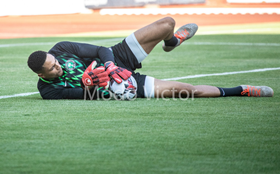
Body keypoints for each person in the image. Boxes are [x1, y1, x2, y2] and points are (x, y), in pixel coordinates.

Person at [27, 17, 273, 100]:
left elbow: (101, 50)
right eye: (53, 67)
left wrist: (111, 65)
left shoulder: (60, 48)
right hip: (119, 86)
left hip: (116, 59)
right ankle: (241, 90)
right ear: (42, 74)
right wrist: (93, 83)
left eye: (56, 61)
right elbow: (87, 96)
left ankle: (172, 41)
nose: (58, 65)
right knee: (186, 91)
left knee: (167, 23)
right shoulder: (48, 90)